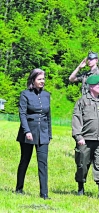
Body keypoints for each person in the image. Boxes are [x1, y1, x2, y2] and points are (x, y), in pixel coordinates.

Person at [72, 75, 99, 198]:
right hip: (85, 140)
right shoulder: (82, 101)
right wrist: (78, 136)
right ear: (91, 87)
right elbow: (76, 119)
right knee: (82, 164)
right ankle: (80, 187)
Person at [15, 68, 52, 200]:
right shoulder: (25, 94)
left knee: (43, 163)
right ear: (33, 80)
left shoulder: (47, 95)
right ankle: (19, 188)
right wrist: (27, 131)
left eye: (43, 79)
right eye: (40, 79)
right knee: (25, 160)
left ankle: (44, 193)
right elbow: (22, 114)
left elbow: (48, 116)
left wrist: (49, 134)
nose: (43, 81)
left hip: (43, 133)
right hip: (28, 133)